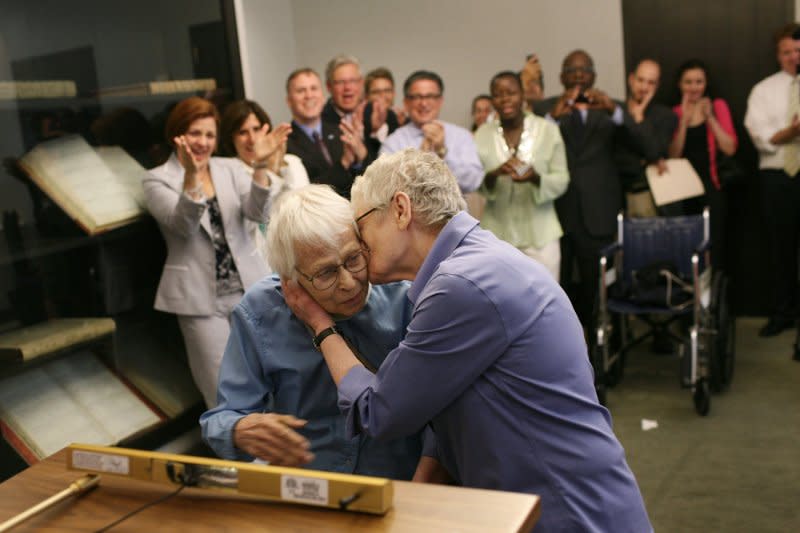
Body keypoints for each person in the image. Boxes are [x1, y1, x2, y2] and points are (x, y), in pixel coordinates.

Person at [283, 149, 652, 533]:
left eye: (361, 226)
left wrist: (321, 326)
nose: (359, 245)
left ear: (400, 210)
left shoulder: (461, 286)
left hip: (568, 513)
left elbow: (378, 412)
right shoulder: (480, 262)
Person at [200, 184, 422, 477]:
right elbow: (221, 418)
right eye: (326, 272)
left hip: (400, 477)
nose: (349, 283)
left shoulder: (404, 295)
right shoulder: (261, 312)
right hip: (310, 481)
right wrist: (239, 429)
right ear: (290, 278)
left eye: (354, 259)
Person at [143, 96, 275, 408]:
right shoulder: (156, 178)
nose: (203, 142)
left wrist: (259, 166)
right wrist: (191, 175)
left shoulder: (229, 168)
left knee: (267, 376)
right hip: (200, 301)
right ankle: (233, 454)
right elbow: (183, 225)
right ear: (177, 134)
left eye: (210, 135)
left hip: (248, 289)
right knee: (221, 388)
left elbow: (258, 212)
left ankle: (273, 453)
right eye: (195, 133)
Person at [534, 49, 635, 325]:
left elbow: (643, 145)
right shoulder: (543, 110)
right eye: (571, 70)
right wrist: (553, 119)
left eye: (584, 70)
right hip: (556, 212)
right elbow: (532, 152)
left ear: (594, 76)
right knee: (557, 284)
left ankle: (598, 345)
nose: (578, 75)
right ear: (560, 76)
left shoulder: (611, 107)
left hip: (597, 212)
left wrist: (614, 112)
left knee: (597, 285)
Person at [474, 71, 568, 280]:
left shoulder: (548, 130)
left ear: (523, 95)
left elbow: (562, 179)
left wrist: (535, 178)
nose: (505, 99)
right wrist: (495, 174)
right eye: (498, 94)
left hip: (541, 235)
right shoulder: (482, 134)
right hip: (497, 235)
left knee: (545, 301)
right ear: (492, 101)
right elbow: (475, 180)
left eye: (511, 93)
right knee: (500, 301)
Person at [744, 23, 800, 338]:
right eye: (787, 51)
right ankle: (782, 313)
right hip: (778, 178)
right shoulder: (764, 90)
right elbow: (761, 138)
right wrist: (790, 133)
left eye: (798, 50)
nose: (794, 56)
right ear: (779, 55)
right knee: (781, 249)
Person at [219, 99, 309, 268]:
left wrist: (278, 166)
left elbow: (305, 212)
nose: (252, 139)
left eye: (256, 129)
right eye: (242, 132)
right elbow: (263, 216)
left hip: (301, 255)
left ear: (266, 130)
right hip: (261, 264)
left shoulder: (292, 163)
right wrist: (271, 170)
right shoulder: (230, 172)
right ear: (231, 138)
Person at [668, 59, 737, 270]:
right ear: (680, 85)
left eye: (699, 81)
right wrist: (683, 123)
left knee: (715, 247)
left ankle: (715, 298)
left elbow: (730, 148)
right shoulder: (675, 112)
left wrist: (710, 119)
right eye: (688, 82)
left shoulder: (717, 106)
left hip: (712, 187)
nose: (693, 87)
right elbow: (673, 154)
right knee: (688, 247)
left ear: (706, 84)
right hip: (684, 191)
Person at [380, 70, 483, 194]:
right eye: (417, 97)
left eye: (430, 96)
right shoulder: (393, 142)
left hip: (453, 213)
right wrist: (419, 160)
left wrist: (442, 152)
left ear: (440, 101)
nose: (423, 103)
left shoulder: (461, 136)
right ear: (406, 102)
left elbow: (473, 182)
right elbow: (386, 189)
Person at [285, 68, 367, 198]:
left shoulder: (341, 130)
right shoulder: (285, 144)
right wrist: (344, 163)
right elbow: (306, 193)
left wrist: (360, 158)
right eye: (301, 91)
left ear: (323, 96)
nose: (309, 95)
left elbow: (361, 182)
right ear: (289, 101)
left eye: (314, 88)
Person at [617, 58, 678, 217]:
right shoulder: (616, 111)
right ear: (631, 80)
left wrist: (639, 117)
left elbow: (655, 153)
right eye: (640, 80)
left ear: (657, 86)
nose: (644, 87)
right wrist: (642, 161)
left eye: (651, 83)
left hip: (647, 196)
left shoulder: (666, 116)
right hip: (614, 195)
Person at [322, 55, 391, 161]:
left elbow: (392, 162)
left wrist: (377, 131)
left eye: (353, 81)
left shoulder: (382, 114)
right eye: (340, 82)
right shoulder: (319, 120)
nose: (347, 88)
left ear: (361, 83)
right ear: (329, 86)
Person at [364, 67, 404, 139]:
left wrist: (402, 127)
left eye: (387, 90)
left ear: (394, 93)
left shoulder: (402, 120)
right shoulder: (360, 124)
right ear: (366, 96)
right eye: (376, 92)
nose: (382, 96)